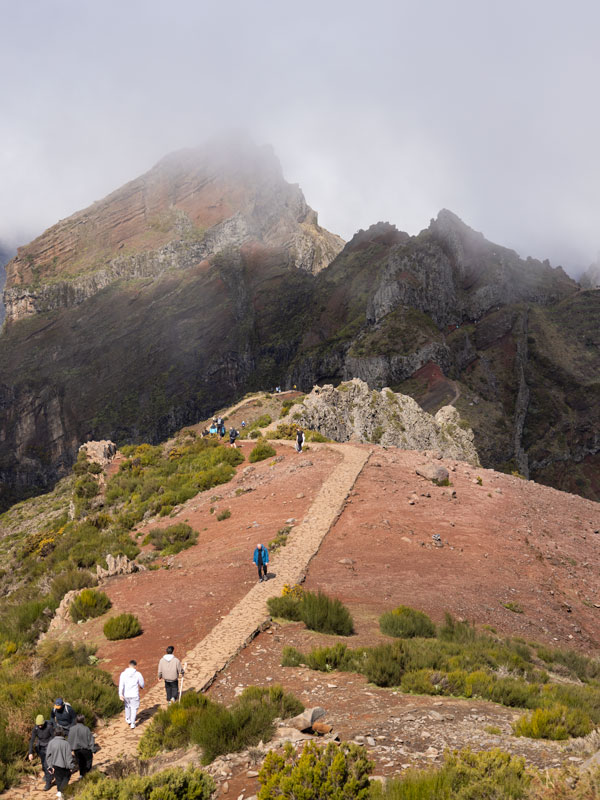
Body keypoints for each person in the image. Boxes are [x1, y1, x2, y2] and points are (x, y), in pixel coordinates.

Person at [46, 726, 75, 799]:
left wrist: (50, 766)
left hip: (55, 766)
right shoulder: (66, 743)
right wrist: (71, 766)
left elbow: (48, 756)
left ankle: (60, 794)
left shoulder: (51, 743)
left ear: (55, 733)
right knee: (66, 778)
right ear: (62, 733)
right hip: (65, 767)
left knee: (58, 780)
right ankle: (61, 793)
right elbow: (69, 757)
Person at [28, 714, 55, 791]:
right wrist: (30, 753)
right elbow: (32, 740)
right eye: (38, 725)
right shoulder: (36, 728)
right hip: (41, 748)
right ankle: (49, 775)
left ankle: (48, 783)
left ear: (44, 723)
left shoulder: (49, 727)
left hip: (49, 747)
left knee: (47, 765)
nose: (40, 726)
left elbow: (54, 737)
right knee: (43, 765)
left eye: (41, 725)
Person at [118, 659, 145, 729]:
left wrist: (120, 694)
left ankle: (128, 718)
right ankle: (132, 723)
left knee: (127, 706)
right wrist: (142, 686)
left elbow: (121, 685)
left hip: (126, 694)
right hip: (134, 694)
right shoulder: (138, 674)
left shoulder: (123, 674)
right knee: (134, 708)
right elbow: (142, 683)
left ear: (129, 665)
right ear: (135, 666)